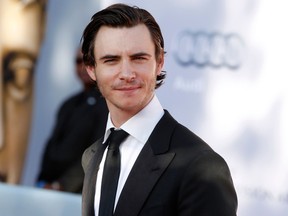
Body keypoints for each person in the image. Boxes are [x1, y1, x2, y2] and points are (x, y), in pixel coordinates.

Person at [81, 3, 238, 216]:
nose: (126, 73)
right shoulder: (91, 157)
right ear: (91, 69)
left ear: (159, 62)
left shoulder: (202, 167)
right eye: (111, 60)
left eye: (138, 58)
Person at [36, 48, 108, 193]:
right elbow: (52, 146)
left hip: (76, 195)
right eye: (78, 61)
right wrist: (42, 181)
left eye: (89, 60)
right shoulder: (68, 104)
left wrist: (62, 185)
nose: (83, 66)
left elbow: (95, 153)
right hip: (49, 189)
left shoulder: (107, 105)